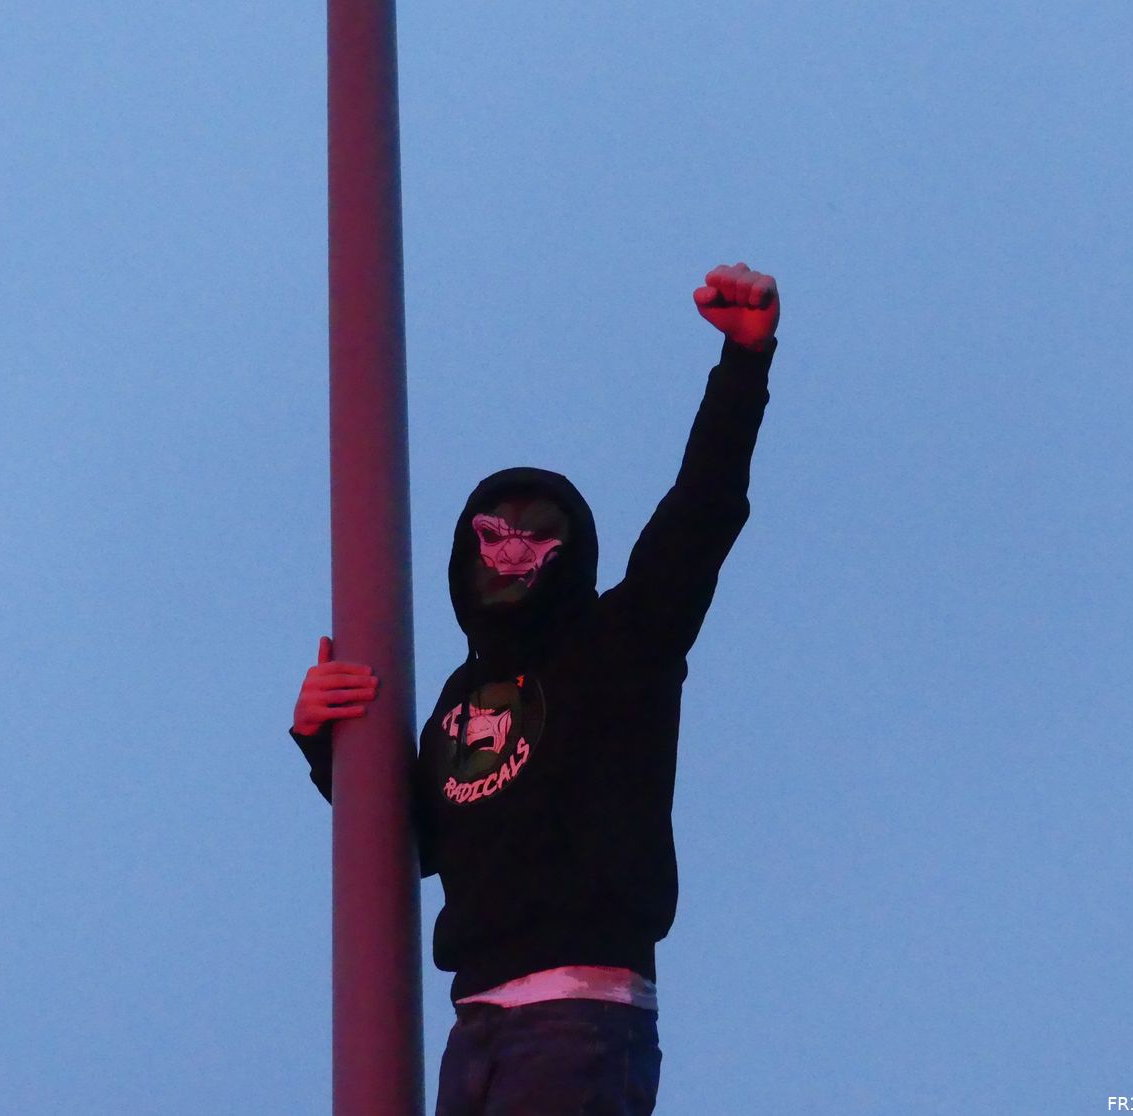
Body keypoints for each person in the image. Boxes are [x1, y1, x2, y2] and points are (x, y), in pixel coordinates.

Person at [290, 262, 780, 1115]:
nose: (511, 554)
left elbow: (700, 514)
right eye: (494, 536)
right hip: (474, 1025)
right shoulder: (454, 699)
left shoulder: (621, 644)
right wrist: (325, 746)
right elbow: (418, 843)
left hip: (579, 1015)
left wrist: (743, 367)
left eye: (535, 536)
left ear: (570, 554)